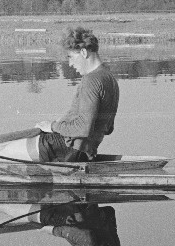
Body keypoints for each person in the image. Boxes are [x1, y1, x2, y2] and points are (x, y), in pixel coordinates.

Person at [34, 27, 119, 162]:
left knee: (7, 149)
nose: (70, 64)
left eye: (71, 57)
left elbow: (83, 128)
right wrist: (63, 123)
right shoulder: (109, 78)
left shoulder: (91, 80)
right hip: (86, 151)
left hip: (68, 149)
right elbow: (108, 128)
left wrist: (52, 126)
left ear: (84, 52)